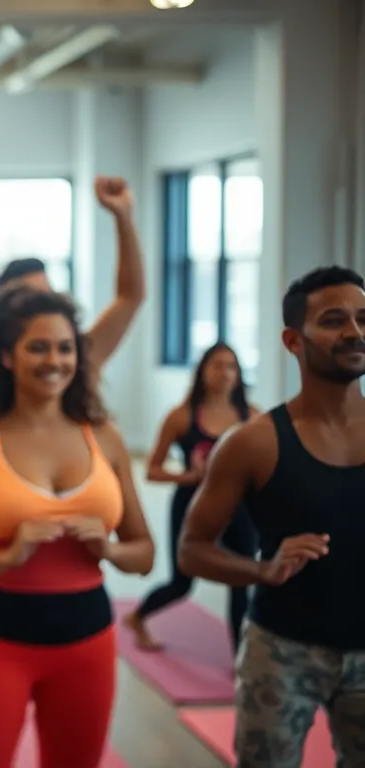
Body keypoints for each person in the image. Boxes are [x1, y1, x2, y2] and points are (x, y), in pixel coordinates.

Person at [0, 285, 154, 768]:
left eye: (66, 347)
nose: (55, 360)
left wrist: (107, 551)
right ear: (7, 357)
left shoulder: (105, 438)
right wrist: (5, 558)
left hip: (89, 639)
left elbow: (144, 552)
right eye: (38, 347)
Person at [178, 266, 365, 768]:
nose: (354, 332)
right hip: (282, 650)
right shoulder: (252, 443)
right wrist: (262, 570)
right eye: (334, 320)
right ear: (293, 340)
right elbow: (191, 549)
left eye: (363, 319)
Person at [0, 177, 146, 457]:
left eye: (46, 295)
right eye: (30, 299)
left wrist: (123, 218)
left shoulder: (77, 357)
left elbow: (130, 297)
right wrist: (13, 446)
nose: (53, 360)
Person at [125, 342, 259, 654]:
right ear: (202, 372)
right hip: (192, 505)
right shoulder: (182, 417)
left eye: (231, 366)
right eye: (217, 365)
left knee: (241, 580)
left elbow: (265, 464)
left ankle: (239, 659)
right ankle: (138, 616)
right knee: (182, 583)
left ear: (238, 375)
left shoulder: (251, 417)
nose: (224, 373)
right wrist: (189, 477)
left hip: (239, 508)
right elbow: (152, 470)